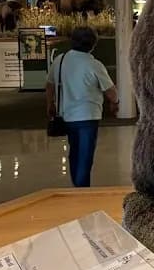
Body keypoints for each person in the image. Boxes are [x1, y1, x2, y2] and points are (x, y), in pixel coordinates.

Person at [46, 26, 118, 188]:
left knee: (75, 152)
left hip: (67, 115)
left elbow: (49, 85)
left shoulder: (60, 60)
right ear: (93, 44)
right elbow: (110, 91)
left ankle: (77, 186)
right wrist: (115, 101)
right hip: (88, 116)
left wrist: (50, 105)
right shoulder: (94, 64)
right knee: (85, 156)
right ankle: (81, 190)